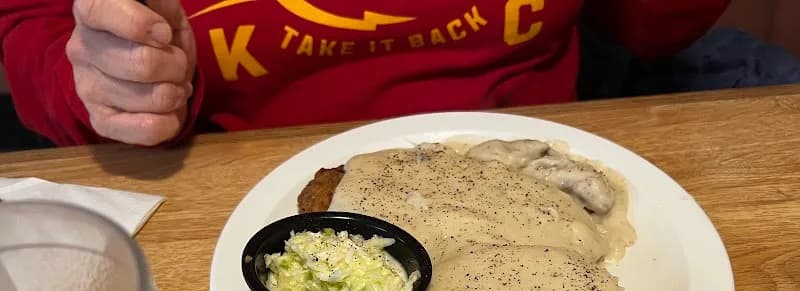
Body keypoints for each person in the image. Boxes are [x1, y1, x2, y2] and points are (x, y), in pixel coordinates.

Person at [0, 0, 730, 147]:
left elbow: (648, 25)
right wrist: (105, 80)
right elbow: (28, 26)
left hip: (534, 161)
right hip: (230, 187)